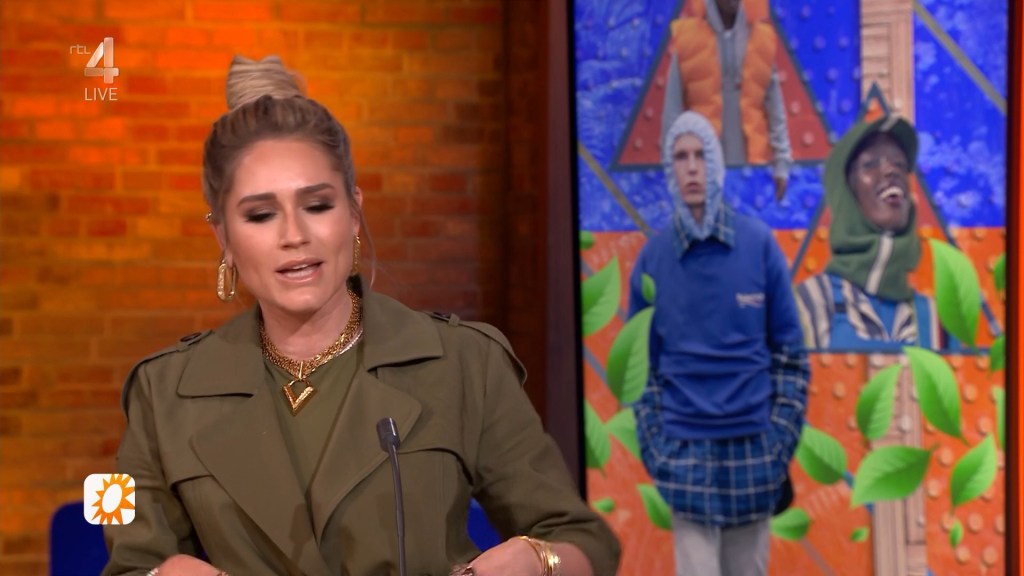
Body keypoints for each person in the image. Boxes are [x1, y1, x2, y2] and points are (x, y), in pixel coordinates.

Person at [102, 55, 620, 576]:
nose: (294, 235)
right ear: (223, 236)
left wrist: (538, 559)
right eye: (260, 214)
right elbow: (122, 552)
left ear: (354, 211)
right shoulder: (157, 390)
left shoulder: (468, 363)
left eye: (317, 206)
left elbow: (585, 540)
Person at [629, 111, 808, 576]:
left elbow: (790, 357)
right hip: (683, 453)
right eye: (680, 157)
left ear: (716, 164)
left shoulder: (758, 245)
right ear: (669, 168)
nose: (691, 168)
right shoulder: (653, 259)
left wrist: (777, 447)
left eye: (700, 155)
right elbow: (639, 371)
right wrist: (659, 453)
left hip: (754, 450)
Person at [793, 115, 950, 352]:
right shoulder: (808, 304)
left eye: (900, 164)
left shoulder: (937, 320)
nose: (891, 171)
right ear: (846, 192)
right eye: (871, 164)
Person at [661, 0, 792, 201]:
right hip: (702, 170)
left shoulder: (762, 39)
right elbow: (672, 113)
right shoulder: (687, 40)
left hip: (752, 170)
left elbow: (775, 110)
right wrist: (673, 172)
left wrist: (781, 164)